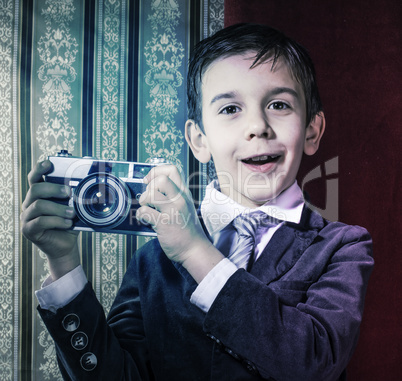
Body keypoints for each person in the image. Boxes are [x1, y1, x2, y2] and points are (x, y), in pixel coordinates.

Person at [21, 23, 374, 381]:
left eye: (279, 104)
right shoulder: (153, 257)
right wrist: (63, 263)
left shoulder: (343, 247)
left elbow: (313, 363)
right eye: (230, 109)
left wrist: (194, 250)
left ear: (312, 131)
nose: (257, 126)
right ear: (199, 140)